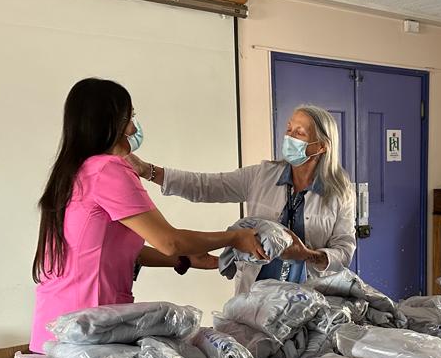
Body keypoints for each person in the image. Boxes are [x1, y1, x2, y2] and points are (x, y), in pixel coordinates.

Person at [31, 78, 266, 353]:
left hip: (56, 325)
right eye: (129, 117)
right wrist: (236, 238)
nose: (133, 128)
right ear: (110, 123)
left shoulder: (73, 171)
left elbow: (108, 248)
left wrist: (186, 259)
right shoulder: (108, 170)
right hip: (87, 331)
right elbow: (170, 240)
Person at [128, 106, 356, 294]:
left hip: (308, 295)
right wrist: (148, 171)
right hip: (256, 292)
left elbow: (344, 250)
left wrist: (307, 255)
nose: (289, 137)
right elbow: (205, 186)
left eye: (299, 133)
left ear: (321, 146)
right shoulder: (262, 176)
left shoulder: (340, 192)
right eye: (288, 130)